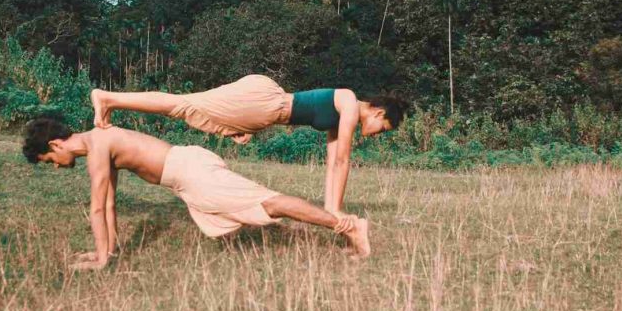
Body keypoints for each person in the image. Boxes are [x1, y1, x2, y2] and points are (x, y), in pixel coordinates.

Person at [22, 117, 370, 270]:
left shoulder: (97, 146)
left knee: (270, 203)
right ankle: (346, 225)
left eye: (49, 159)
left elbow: (97, 210)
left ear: (55, 144)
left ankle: (349, 226)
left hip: (190, 173)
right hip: (186, 175)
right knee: (266, 204)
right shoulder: (99, 144)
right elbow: (109, 205)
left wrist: (99, 260)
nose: (55, 165)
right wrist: (106, 252)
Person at [90, 75, 407, 214]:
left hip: (262, 111)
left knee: (189, 108)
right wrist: (336, 212)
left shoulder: (340, 118)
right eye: (384, 127)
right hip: (265, 103)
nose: (379, 133)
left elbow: (332, 165)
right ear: (378, 112)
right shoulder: (350, 104)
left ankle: (111, 99)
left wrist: (330, 209)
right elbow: (342, 162)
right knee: (182, 105)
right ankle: (108, 98)